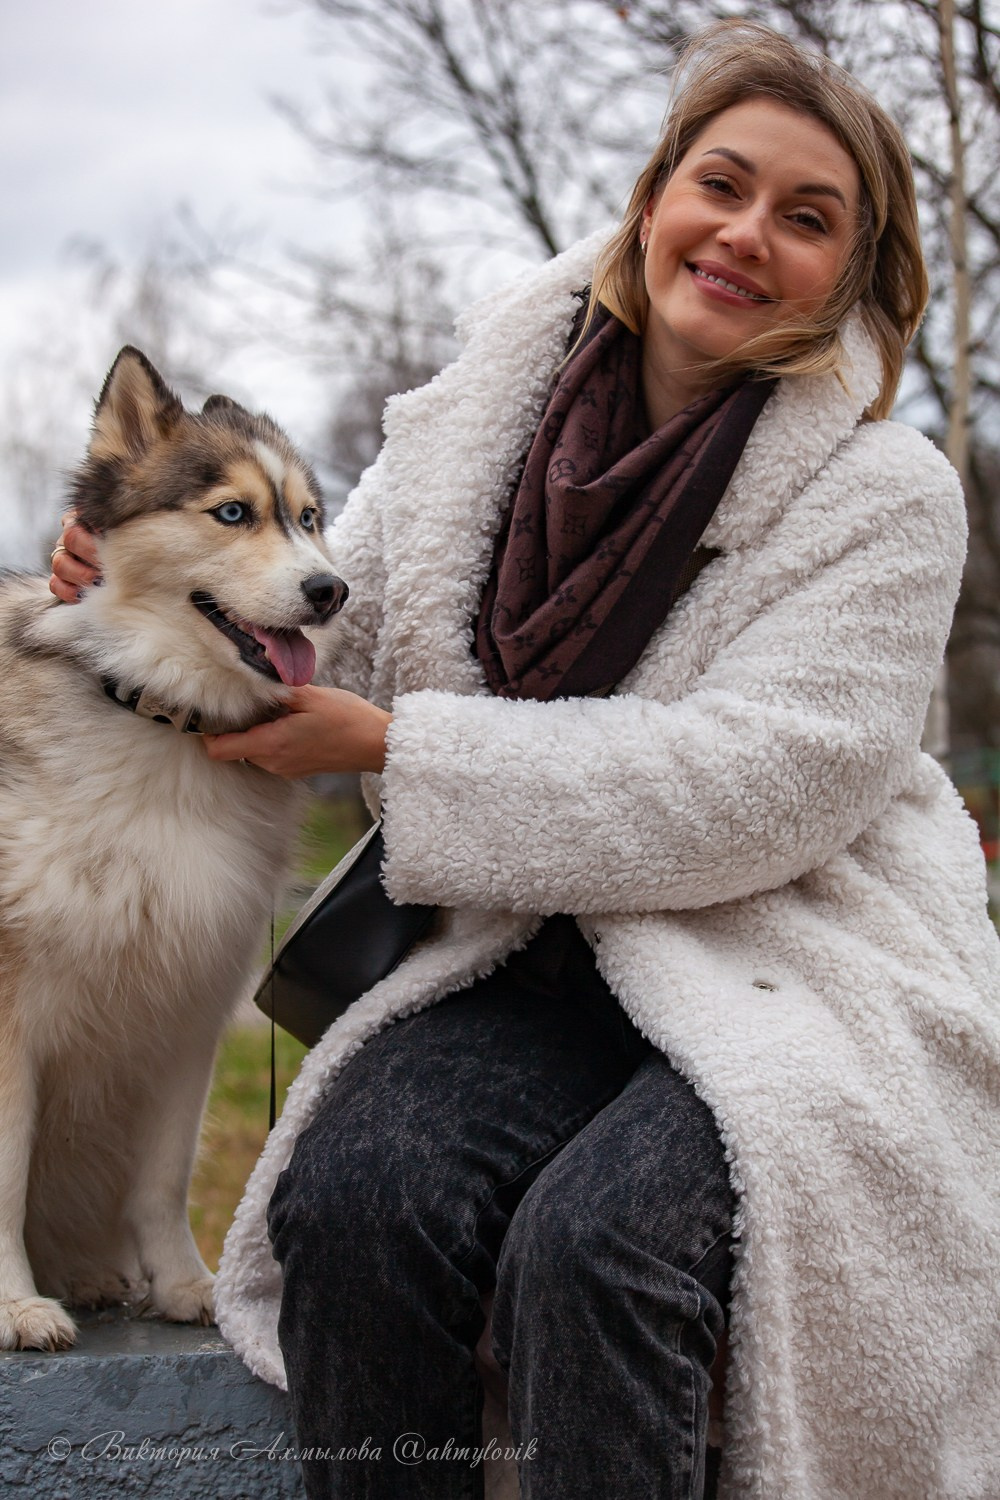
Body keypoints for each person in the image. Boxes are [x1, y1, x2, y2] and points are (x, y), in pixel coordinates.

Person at [51, 21, 1000, 1500]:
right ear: (654, 195)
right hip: (525, 950)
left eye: (807, 219)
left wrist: (402, 759)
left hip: (791, 959)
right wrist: (156, 571)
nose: (746, 234)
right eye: (722, 183)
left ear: (856, 272)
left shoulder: (890, 496)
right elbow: (336, 618)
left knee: (599, 1250)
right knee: (361, 1201)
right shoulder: (495, 405)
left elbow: (753, 791)